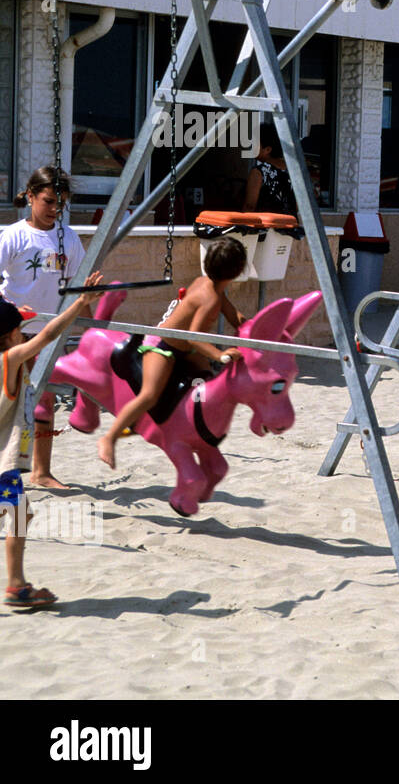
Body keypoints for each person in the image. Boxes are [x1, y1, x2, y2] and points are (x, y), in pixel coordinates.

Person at [96, 238, 247, 469]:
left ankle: (190, 420)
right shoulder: (209, 297)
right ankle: (110, 437)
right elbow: (193, 336)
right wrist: (220, 356)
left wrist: (250, 327)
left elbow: (232, 313)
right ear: (237, 271)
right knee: (149, 394)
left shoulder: (211, 286)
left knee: (205, 380)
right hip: (162, 346)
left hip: (186, 349)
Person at [1, 273, 104, 608]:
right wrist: (79, 303)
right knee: (17, 514)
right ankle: (16, 586)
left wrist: (19, 312)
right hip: (3, 464)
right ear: (12, 335)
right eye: (20, 328)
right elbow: (46, 334)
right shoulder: (11, 360)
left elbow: (27, 323)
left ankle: (17, 584)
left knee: (21, 513)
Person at [0, 168, 87, 488]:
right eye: (49, 201)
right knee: (5, 403)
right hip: (12, 334)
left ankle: (41, 471)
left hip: (49, 332)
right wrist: (9, 313)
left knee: (45, 400)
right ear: (31, 196)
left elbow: (80, 288)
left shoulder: (69, 238)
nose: (54, 209)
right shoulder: (14, 236)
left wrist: (88, 331)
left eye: (60, 204)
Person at [242, 123, 296, 215]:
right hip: (290, 225)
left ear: (267, 149)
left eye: (255, 143)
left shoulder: (258, 172)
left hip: (266, 226)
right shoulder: (294, 171)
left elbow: (249, 206)